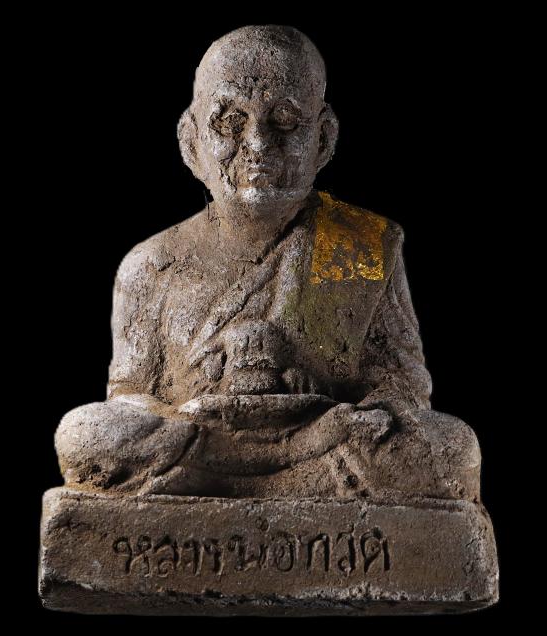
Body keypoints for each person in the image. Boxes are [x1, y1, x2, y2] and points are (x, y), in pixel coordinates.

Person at [56, 25, 480, 501]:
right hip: (201, 438)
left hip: (324, 437)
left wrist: (357, 411)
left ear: (323, 138)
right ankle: (268, 480)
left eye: (284, 120)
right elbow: (130, 396)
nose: (258, 143)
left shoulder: (359, 245)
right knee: (86, 434)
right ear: (190, 141)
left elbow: (401, 384)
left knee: (451, 448)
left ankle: (228, 484)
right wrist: (198, 400)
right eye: (230, 121)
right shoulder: (152, 264)